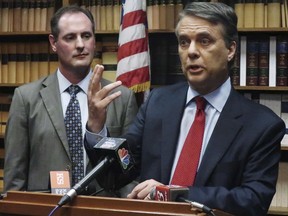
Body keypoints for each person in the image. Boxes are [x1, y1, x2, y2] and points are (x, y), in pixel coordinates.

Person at [84, 2, 286, 216]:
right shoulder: (157, 103)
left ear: (231, 49)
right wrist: (97, 128)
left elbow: (253, 201)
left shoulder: (262, 125)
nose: (191, 52)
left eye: (204, 41)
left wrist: (174, 193)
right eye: (183, 42)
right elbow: (118, 174)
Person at [3, 5, 138, 195]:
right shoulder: (26, 98)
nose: (80, 44)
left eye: (86, 36)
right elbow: (14, 180)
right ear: (53, 43)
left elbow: (129, 175)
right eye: (70, 37)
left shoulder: (121, 98)